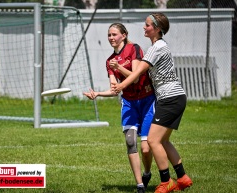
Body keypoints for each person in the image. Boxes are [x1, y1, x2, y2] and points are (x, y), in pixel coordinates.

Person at [111, 13, 193, 193]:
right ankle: (182, 177)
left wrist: (121, 86)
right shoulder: (158, 46)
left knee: (153, 141)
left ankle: (166, 181)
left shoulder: (156, 48)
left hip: (170, 99)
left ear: (157, 28)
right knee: (163, 141)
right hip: (175, 97)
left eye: (147, 25)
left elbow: (137, 73)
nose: (144, 27)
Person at [83, 23, 155, 193]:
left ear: (124, 35)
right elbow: (115, 89)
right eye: (109, 35)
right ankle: (139, 186)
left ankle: (147, 172)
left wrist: (119, 68)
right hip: (129, 102)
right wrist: (98, 94)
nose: (111, 38)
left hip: (146, 100)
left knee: (145, 148)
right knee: (130, 142)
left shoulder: (134, 49)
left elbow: (136, 78)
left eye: (114, 34)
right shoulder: (109, 61)